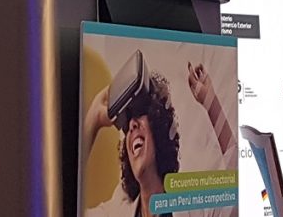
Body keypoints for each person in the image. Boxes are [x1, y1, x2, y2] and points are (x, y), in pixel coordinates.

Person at [82, 62, 235, 217]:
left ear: (158, 129)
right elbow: (67, 206)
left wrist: (210, 102)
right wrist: (94, 117)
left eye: (140, 112)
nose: (132, 124)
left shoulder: (192, 206)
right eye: (127, 122)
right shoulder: (116, 211)